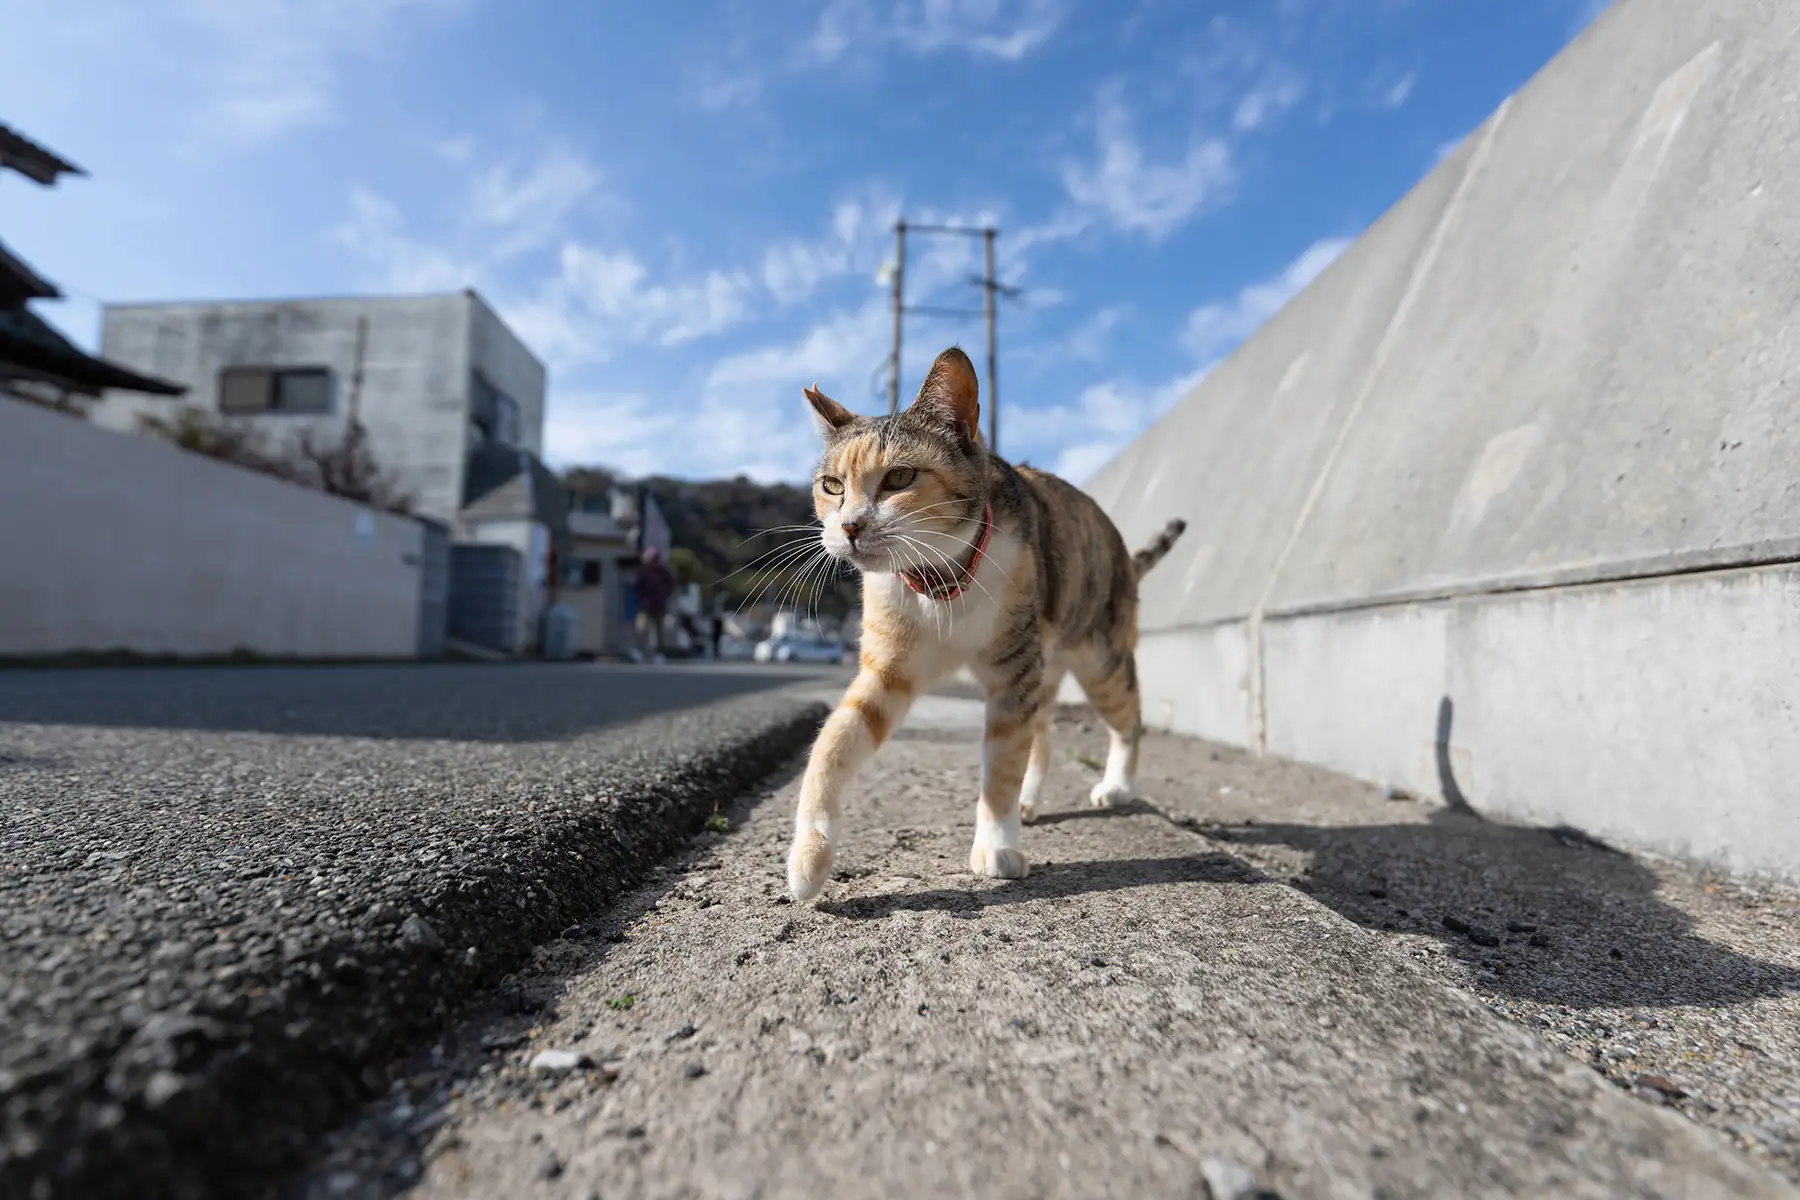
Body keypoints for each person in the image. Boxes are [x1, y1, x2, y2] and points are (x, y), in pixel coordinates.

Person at [634, 545, 674, 664]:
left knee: (660, 631)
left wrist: (665, 595)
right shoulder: (643, 572)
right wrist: (641, 600)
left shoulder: (663, 571)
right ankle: (639, 652)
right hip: (644, 605)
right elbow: (638, 587)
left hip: (659, 604)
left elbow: (671, 585)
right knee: (641, 629)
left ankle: (659, 654)